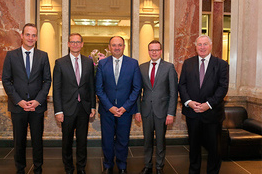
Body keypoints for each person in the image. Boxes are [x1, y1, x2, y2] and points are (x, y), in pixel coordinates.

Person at [2, 23, 51, 174]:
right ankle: (20, 170)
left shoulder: (43, 56)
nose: (31, 38)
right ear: (22, 36)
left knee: (37, 141)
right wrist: (19, 101)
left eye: (34, 35)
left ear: (37, 37)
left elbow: (47, 80)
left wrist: (38, 101)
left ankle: (38, 169)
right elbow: (6, 80)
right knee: (19, 141)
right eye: (28, 35)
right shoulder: (11, 56)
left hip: (37, 107)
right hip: (18, 107)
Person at [178, 35, 229, 174]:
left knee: (214, 149)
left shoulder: (221, 64)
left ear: (211, 46)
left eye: (205, 44)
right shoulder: (188, 63)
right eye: (199, 44)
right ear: (195, 46)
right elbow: (182, 85)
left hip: (212, 114)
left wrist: (208, 104)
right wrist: (188, 102)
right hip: (192, 113)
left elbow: (222, 88)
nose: (202, 47)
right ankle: (194, 171)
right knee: (193, 148)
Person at [96, 36, 142, 174]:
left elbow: (136, 88)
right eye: (114, 45)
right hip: (107, 110)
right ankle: (108, 165)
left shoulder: (133, 63)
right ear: (109, 47)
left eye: (120, 45)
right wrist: (110, 107)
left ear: (124, 46)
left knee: (123, 139)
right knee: (107, 140)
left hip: (125, 110)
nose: (117, 47)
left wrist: (125, 107)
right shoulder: (102, 64)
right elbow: (99, 88)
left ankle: (122, 166)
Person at [53, 33, 96, 174]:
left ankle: (81, 167)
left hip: (83, 108)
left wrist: (93, 106)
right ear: (68, 44)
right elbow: (57, 89)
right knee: (67, 141)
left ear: (82, 44)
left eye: (78, 42)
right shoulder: (60, 63)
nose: (76, 44)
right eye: (73, 42)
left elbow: (91, 86)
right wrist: (58, 111)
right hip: (66, 109)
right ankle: (69, 168)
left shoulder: (89, 62)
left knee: (82, 141)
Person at [135, 40, 178, 174]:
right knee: (147, 140)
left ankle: (159, 166)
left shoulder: (169, 67)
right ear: (148, 51)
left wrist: (171, 113)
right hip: (146, 110)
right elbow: (137, 91)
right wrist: (137, 110)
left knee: (160, 141)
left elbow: (173, 92)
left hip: (163, 111)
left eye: (156, 50)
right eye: (151, 50)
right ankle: (147, 165)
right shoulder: (141, 67)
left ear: (161, 51)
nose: (154, 52)